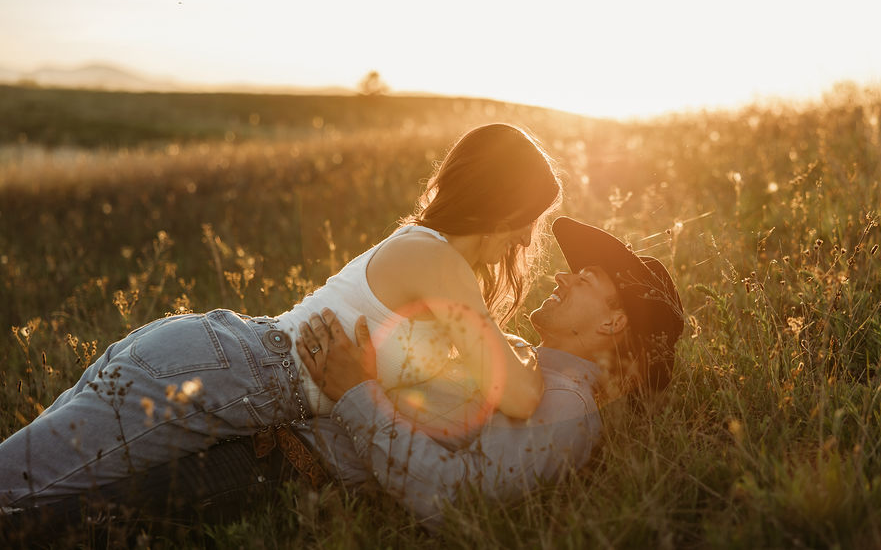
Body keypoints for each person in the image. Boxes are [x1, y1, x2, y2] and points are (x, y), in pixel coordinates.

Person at [0, 123, 562, 508]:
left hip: (216, 362)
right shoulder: (436, 259)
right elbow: (515, 395)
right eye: (526, 219)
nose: (524, 237)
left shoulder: (431, 256)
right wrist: (538, 364)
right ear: (501, 202)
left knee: (30, 486)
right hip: (231, 376)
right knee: (18, 490)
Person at [9, 217, 687, 532]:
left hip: (270, 465)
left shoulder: (568, 411)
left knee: (48, 519)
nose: (564, 275)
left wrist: (355, 390)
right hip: (258, 424)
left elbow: (456, 497)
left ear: (612, 325)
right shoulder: (519, 358)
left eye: (588, 279)